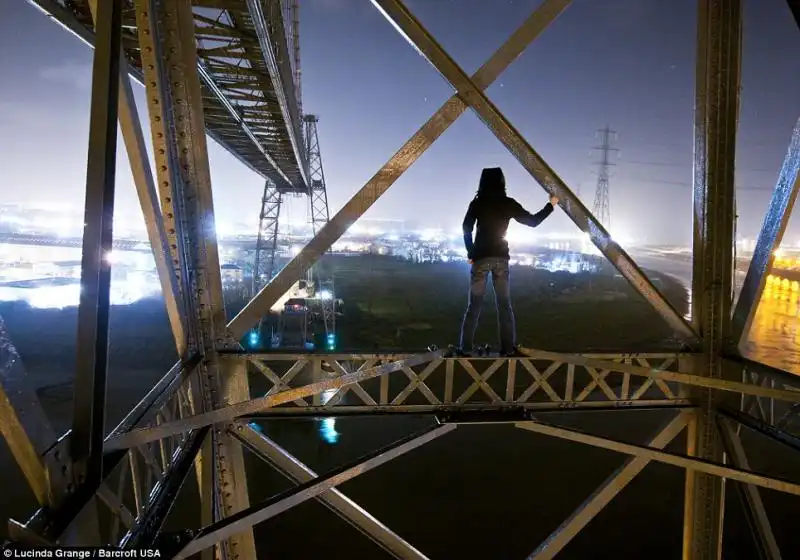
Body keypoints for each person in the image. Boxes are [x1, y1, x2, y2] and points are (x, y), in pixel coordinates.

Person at [458, 167, 559, 356]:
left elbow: (466, 228)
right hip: (500, 260)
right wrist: (551, 205)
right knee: (504, 306)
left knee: (474, 306)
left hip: (480, 259)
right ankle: (508, 349)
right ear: (502, 182)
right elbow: (533, 221)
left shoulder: (477, 203)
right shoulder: (507, 203)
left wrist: (471, 252)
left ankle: (465, 349)